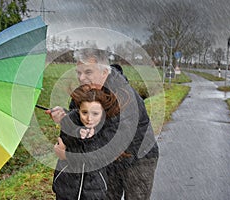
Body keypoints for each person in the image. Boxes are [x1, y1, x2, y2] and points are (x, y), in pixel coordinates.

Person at [47, 48, 159, 200]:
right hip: (109, 162)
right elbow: (82, 124)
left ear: (104, 73)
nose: (81, 78)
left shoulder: (125, 98)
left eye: (88, 72)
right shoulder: (85, 91)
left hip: (139, 159)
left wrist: (66, 156)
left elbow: (107, 149)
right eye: (78, 72)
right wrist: (65, 117)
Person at [52, 84, 120, 200]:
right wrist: (78, 133)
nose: (89, 119)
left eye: (95, 114)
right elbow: (64, 141)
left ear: (102, 113)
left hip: (93, 189)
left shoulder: (107, 129)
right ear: (79, 110)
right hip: (66, 186)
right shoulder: (70, 121)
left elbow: (96, 158)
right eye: (84, 113)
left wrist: (67, 155)